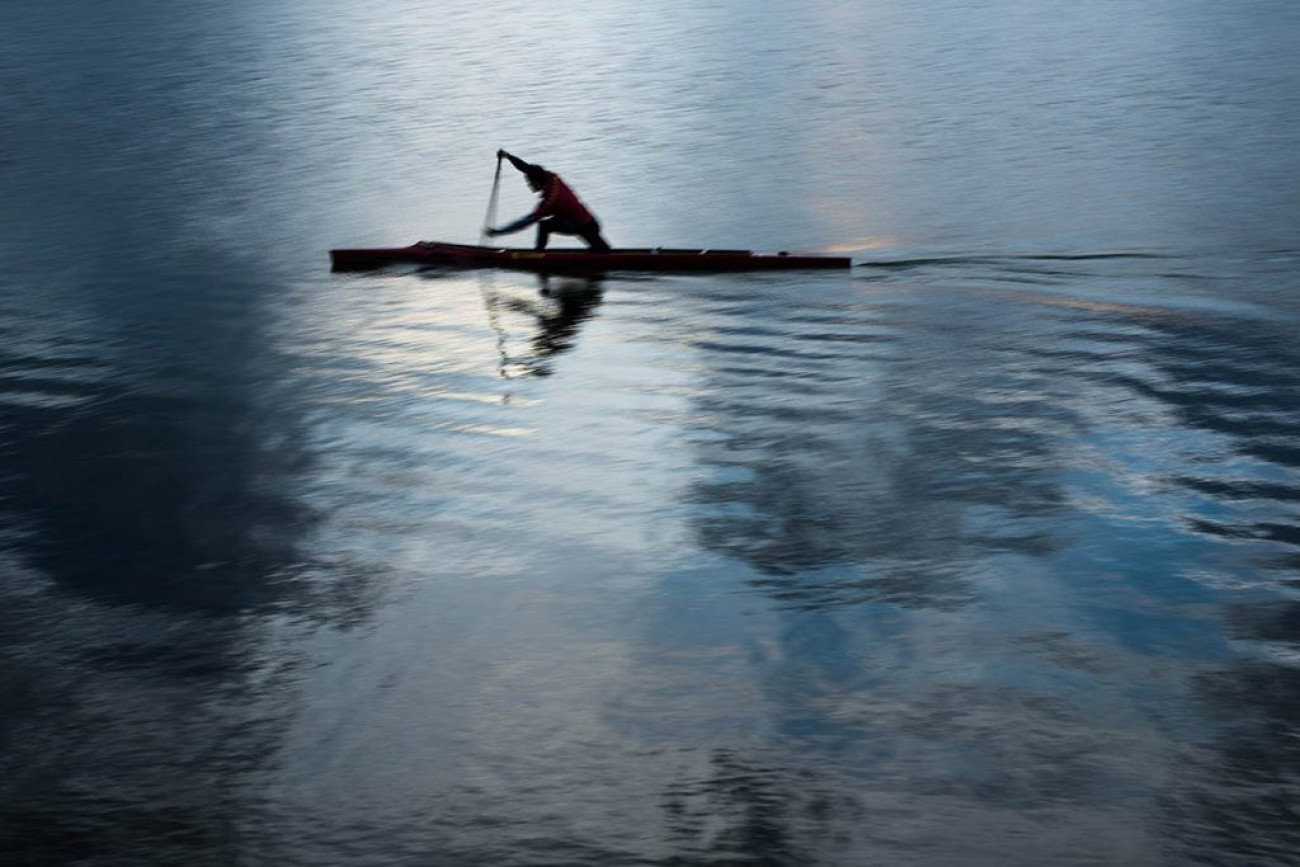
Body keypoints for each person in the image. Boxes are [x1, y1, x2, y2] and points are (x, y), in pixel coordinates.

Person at [485, 150, 611, 251]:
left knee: (544, 226)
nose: (529, 185)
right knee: (603, 251)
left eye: (530, 182)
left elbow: (526, 221)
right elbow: (526, 168)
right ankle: (540, 255)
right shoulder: (552, 176)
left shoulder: (550, 202)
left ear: (537, 182)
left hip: (584, 227)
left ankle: (538, 256)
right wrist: (508, 156)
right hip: (588, 222)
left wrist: (500, 232)